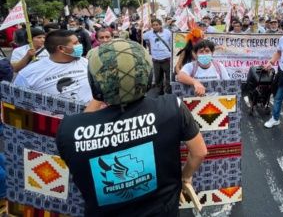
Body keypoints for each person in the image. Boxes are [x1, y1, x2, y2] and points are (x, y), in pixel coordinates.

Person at [56, 39, 207, 216]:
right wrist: (185, 177)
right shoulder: (172, 106)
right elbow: (199, 152)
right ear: (147, 73)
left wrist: (106, 90)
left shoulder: (69, 129)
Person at [13, 29, 93, 105]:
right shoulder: (28, 74)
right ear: (61, 48)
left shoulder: (86, 62)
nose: (80, 45)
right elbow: (17, 102)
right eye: (75, 43)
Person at [143, 19, 172, 95]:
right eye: (153, 25)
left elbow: (173, 43)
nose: (155, 26)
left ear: (160, 25)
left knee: (169, 78)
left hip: (167, 59)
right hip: (156, 60)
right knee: (158, 79)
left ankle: (168, 94)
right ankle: (159, 94)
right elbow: (142, 37)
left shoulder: (167, 32)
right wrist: (142, 27)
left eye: (157, 25)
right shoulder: (149, 33)